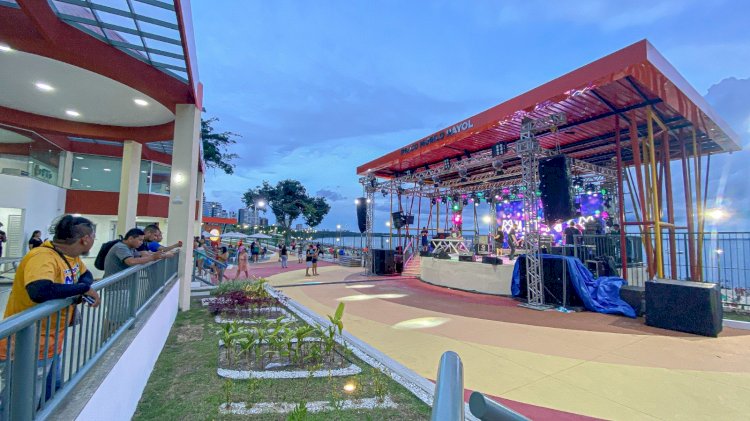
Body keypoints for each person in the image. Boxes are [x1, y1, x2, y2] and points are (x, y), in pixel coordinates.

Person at [0, 215, 101, 404]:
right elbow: (40, 290)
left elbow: (85, 274)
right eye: (93, 237)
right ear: (85, 239)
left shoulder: (71, 258)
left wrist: (82, 286)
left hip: (51, 343)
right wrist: (82, 288)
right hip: (25, 345)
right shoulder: (43, 257)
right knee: (19, 403)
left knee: (49, 396)